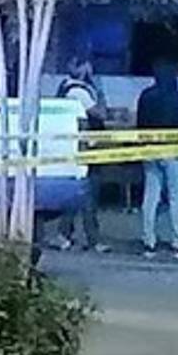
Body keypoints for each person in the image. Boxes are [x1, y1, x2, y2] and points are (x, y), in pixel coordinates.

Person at [137, 57, 178, 261]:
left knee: (150, 197)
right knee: (176, 198)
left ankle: (148, 240)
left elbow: (140, 124)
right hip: (175, 152)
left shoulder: (146, 96)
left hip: (150, 150)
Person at [53, 56, 111, 253]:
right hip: (87, 149)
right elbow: (101, 113)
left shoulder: (65, 87)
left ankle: (64, 234)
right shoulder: (79, 91)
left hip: (74, 147)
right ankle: (91, 238)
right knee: (89, 195)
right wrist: (100, 91)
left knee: (78, 193)